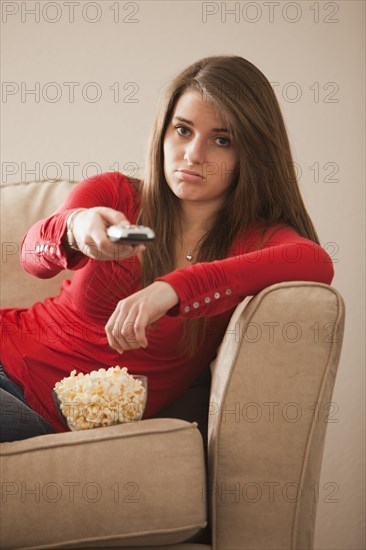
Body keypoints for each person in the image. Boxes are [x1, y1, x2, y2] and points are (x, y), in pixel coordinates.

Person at [0, 55, 334, 444]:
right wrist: (75, 228)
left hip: (43, 417)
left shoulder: (255, 241)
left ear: (251, 155)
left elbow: (316, 262)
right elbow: (31, 256)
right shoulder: (116, 194)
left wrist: (174, 288)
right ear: (163, 133)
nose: (194, 154)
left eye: (221, 140)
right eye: (183, 130)